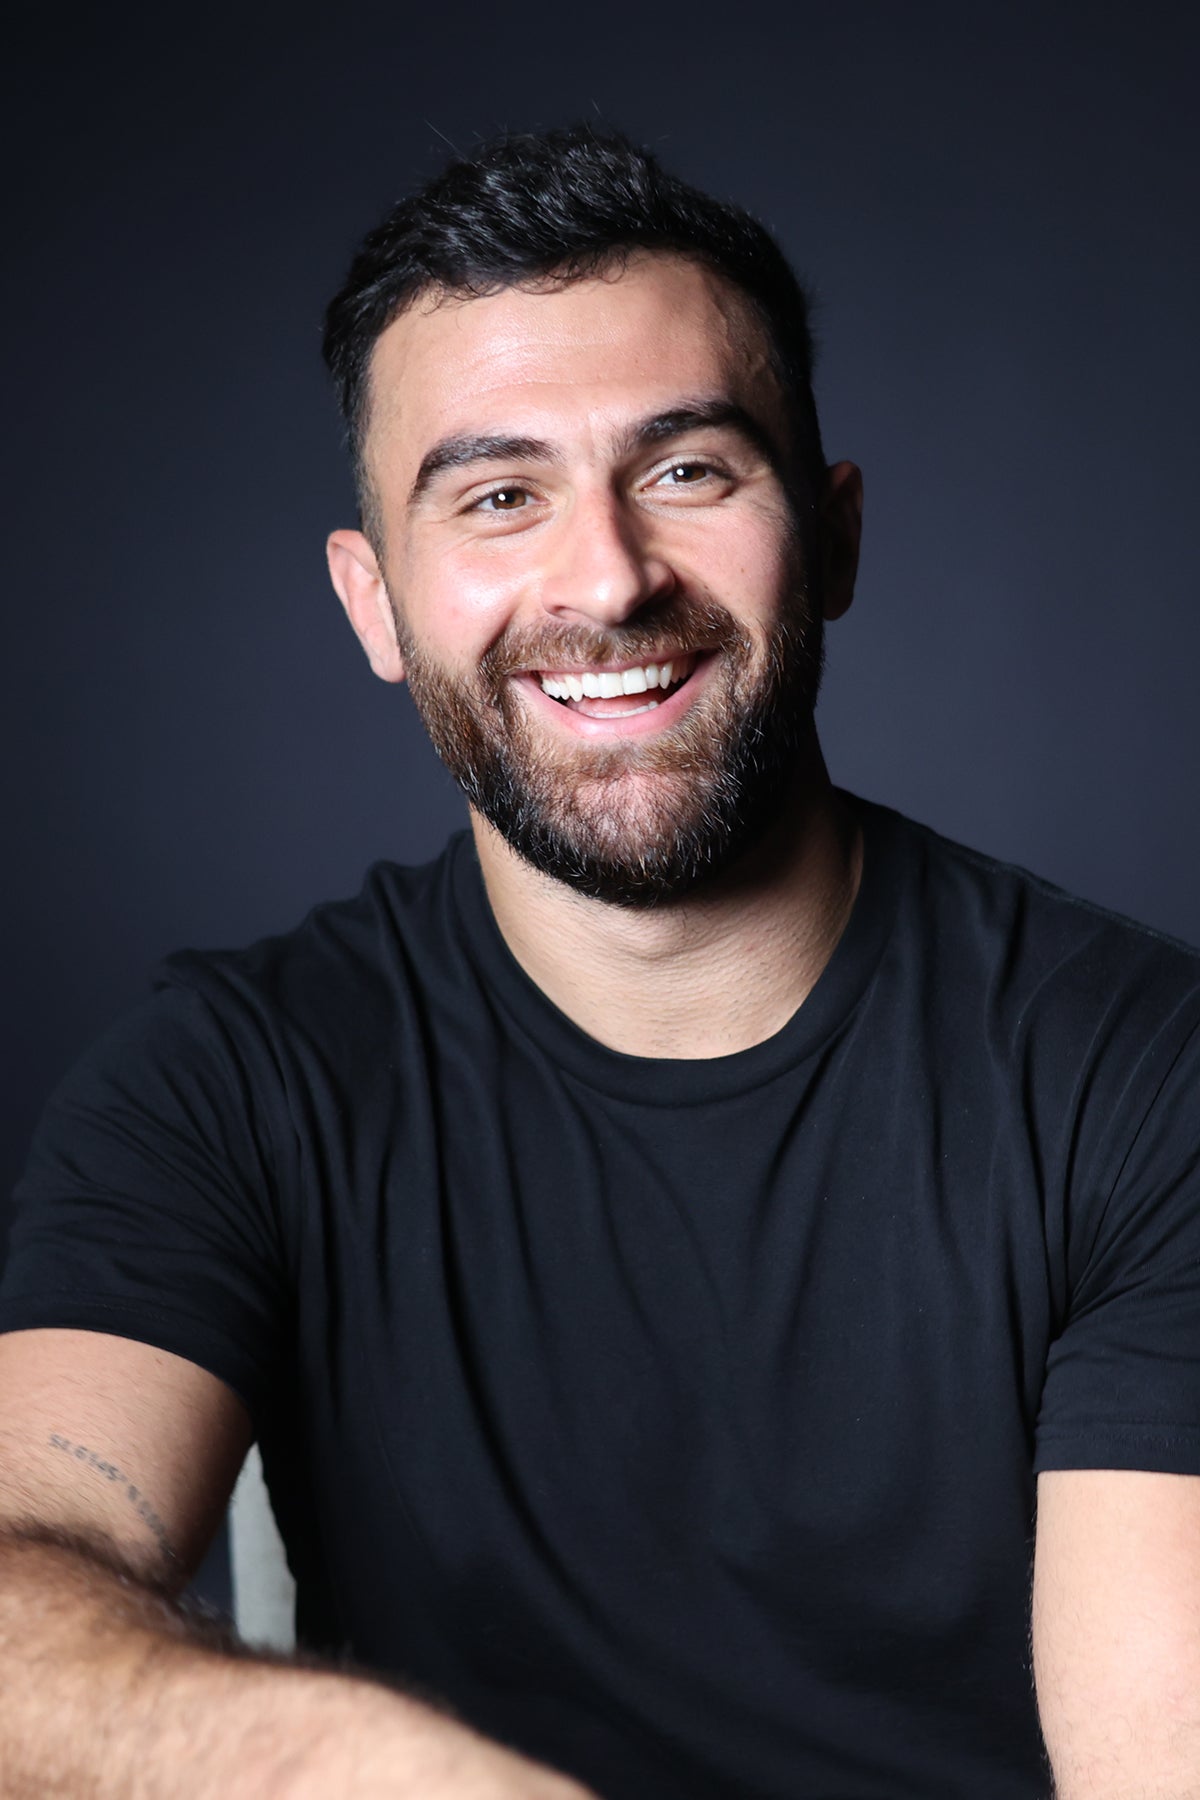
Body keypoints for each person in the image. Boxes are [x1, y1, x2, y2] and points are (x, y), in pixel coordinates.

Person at [1, 124, 1198, 1800]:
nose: (608, 578)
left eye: (689, 471)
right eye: (499, 497)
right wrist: (353, 1770)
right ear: (374, 604)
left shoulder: (1145, 1080)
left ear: (835, 538)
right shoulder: (227, 1082)